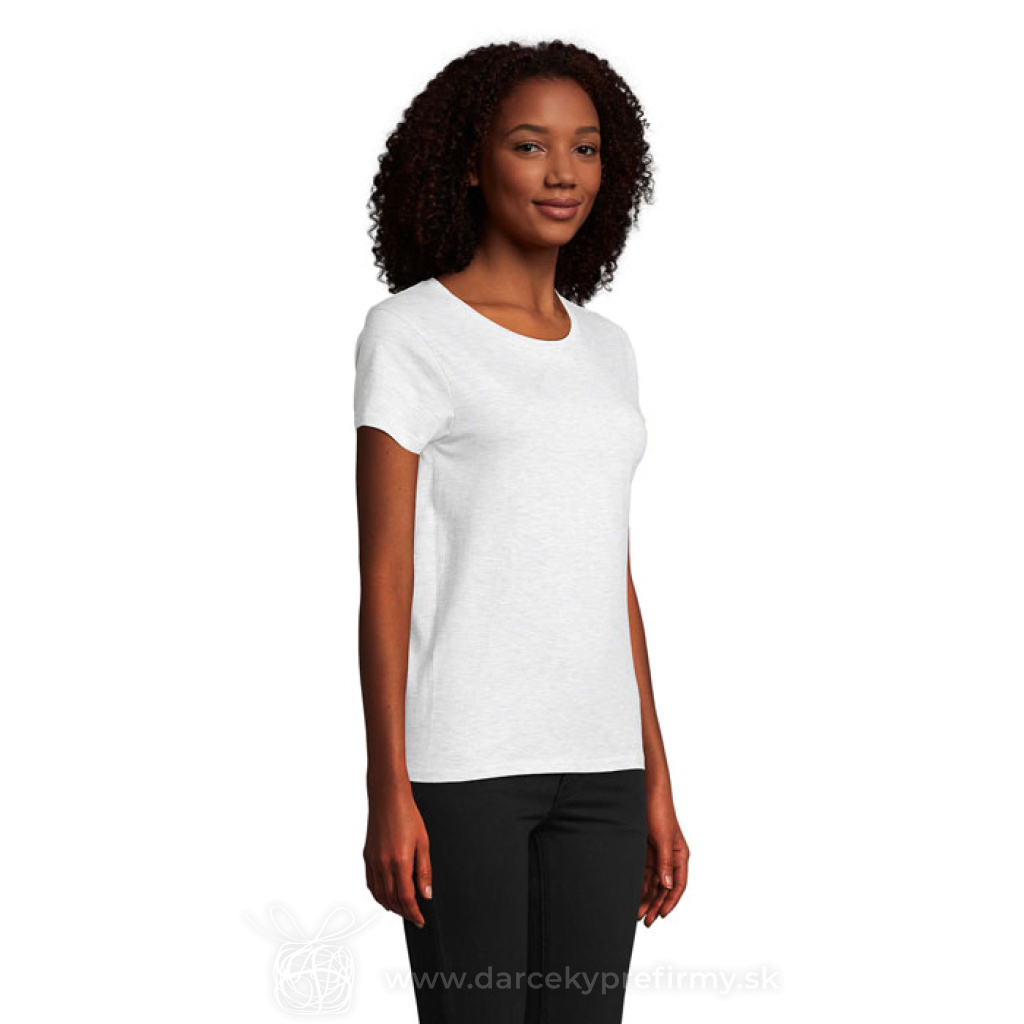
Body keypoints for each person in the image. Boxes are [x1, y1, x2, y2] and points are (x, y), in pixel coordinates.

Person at [353, 39, 689, 1024]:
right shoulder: (409, 332)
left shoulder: (608, 349)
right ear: (471, 160)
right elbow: (386, 576)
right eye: (530, 145)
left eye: (585, 148)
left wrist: (656, 775)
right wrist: (387, 786)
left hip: (604, 768)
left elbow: (609, 573)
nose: (561, 173)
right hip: (464, 766)